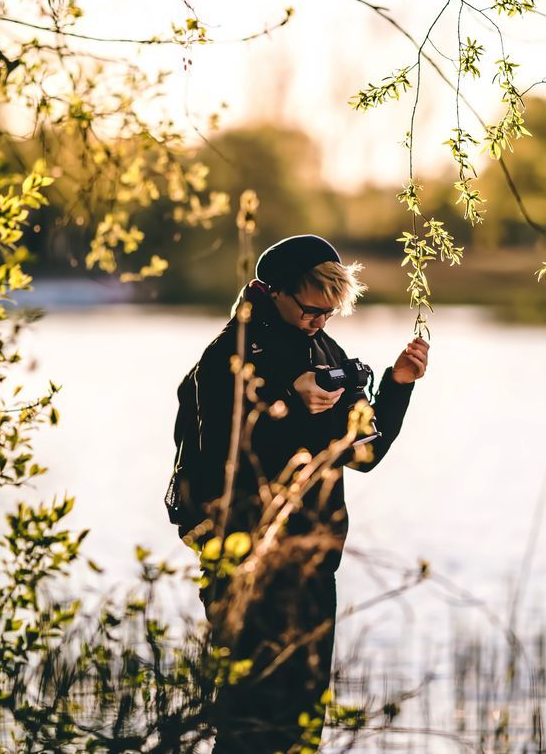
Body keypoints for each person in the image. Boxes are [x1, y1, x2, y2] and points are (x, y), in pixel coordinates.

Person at [168, 234, 429, 753]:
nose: (319, 322)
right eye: (311, 310)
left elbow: (363, 454)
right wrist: (288, 399)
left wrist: (397, 386)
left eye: (330, 314)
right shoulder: (227, 356)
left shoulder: (325, 350)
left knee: (304, 723)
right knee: (248, 721)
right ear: (272, 290)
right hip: (247, 562)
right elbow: (223, 456)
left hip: (314, 566)